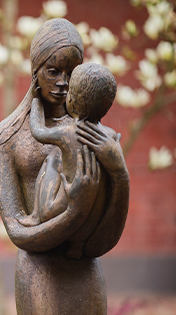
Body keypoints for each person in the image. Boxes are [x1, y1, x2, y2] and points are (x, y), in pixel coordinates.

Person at [0, 18, 129, 314]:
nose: (63, 82)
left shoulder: (94, 135)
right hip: (39, 270)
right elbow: (17, 232)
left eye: (71, 72)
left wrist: (119, 175)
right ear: (35, 70)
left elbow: (102, 240)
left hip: (85, 269)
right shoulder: (7, 136)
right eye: (53, 71)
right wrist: (74, 212)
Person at [19, 62, 119, 260]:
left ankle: (35, 216)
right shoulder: (110, 136)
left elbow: (38, 131)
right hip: (89, 226)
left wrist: (36, 101)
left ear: (72, 99)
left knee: (53, 156)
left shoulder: (68, 133)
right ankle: (77, 246)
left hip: (56, 211)